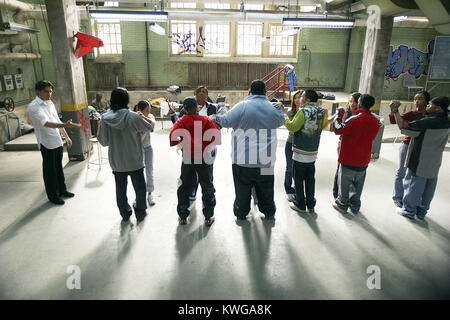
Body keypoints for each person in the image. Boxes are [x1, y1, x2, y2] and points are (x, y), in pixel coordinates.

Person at [214, 80, 286, 220]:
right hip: (266, 160)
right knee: (266, 188)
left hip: (243, 160)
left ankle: (241, 212)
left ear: (249, 91)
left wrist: (221, 105)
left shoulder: (242, 107)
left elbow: (224, 121)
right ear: (265, 91)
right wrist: (281, 108)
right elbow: (281, 121)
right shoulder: (273, 109)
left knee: (242, 189)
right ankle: (268, 211)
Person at [97, 88, 155, 222]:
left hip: (117, 162)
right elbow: (150, 127)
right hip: (135, 160)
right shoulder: (133, 116)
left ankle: (125, 213)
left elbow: (103, 141)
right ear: (127, 100)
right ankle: (140, 213)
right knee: (140, 189)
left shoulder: (105, 118)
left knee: (120, 189)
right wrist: (141, 119)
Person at [27, 80, 82, 205]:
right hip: (46, 143)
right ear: (38, 92)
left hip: (56, 141)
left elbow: (56, 119)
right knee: (49, 171)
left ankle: (62, 190)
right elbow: (45, 123)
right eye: (46, 91)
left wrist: (66, 136)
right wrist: (64, 124)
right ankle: (52, 196)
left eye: (51, 91)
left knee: (58, 168)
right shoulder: (34, 106)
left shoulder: (50, 103)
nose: (49, 94)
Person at [168, 85, 227, 202]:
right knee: (197, 176)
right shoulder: (200, 118)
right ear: (195, 99)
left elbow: (218, 127)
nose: (202, 99)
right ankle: (197, 195)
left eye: (204, 96)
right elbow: (178, 124)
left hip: (203, 150)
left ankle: (186, 211)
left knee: (203, 176)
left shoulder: (211, 109)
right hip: (197, 151)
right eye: (199, 97)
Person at [169, 96, 221, 226]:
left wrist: (182, 142)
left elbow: (172, 139)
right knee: (207, 185)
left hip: (188, 158)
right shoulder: (205, 120)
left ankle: (182, 216)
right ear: (197, 107)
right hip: (204, 158)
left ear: (185, 109)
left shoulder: (181, 121)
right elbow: (216, 134)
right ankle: (208, 216)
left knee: (184, 186)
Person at [397, 96, 450, 220]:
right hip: (435, 159)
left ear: (438, 109)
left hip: (420, 158)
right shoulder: (447, 120)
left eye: (430, 105)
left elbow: (404, 127)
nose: (427, 106)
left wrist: (395, 111)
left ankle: (408, 211)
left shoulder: (427, 122)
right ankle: (421, 212)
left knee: (414, 184)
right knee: (429, 186)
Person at [332, 94, 380, 214]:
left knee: (344, 182)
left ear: (359, 103)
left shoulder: (354, 119)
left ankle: (342, 204)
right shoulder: (375, 121)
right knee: (358, 185)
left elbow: (337, 129)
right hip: (363, 160)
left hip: (348, 159)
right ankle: (355, 205)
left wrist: (339, 115)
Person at [285, 89, 328, 213]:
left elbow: (293, 127)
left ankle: (300, 204)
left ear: (308, 99)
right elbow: (323, 126)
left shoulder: (302, 111)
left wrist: (284, 117)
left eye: (302, 96)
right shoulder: (321, 111)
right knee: (310, 180)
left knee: (298, 179)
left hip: (300, 152)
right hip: (313, 152)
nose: (300, 99)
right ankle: (310, 204)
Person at [388, 90, 430, 208]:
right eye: (415, 99)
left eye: (420, 99)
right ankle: (397, 197)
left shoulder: (430, 115)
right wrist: (393, 110)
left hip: (421, 147)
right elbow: (393, 121)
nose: (417, 101)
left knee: (413, 174)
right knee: (401, 171)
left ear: (427, 101)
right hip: (407, 145)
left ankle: (408, 198)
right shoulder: (411, 114)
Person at [332, 92, 361, 200]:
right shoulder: (346, 114)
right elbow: (339, 129)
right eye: (351, 101)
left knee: (354, 173)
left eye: (355, 101)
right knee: (340, 169)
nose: (352, 104)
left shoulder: (361, 116)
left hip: (357, 148)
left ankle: (350, 196)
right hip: (344, 146)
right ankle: (337, 194)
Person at [134, 100, 157, 206]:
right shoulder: (133, 118)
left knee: (149, 171)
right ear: (140, 110)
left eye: (149, 110)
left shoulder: (149, 117)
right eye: (146, 111)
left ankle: (150, 194)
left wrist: (143, 117)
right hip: (137, 149)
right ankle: (138, 196)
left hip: (148, 148)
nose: (149, 112)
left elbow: (152, 125)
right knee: (138, 173)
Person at [284, 90, 303, 202]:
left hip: (301, 144)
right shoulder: (290, 112)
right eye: (295, 98)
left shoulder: (306, 112)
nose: (297, 100)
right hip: (290, 142)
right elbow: (291, 127)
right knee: (289, 168)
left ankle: (297, 189)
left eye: (300, 97)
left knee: (298, 169)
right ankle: (288, 190)